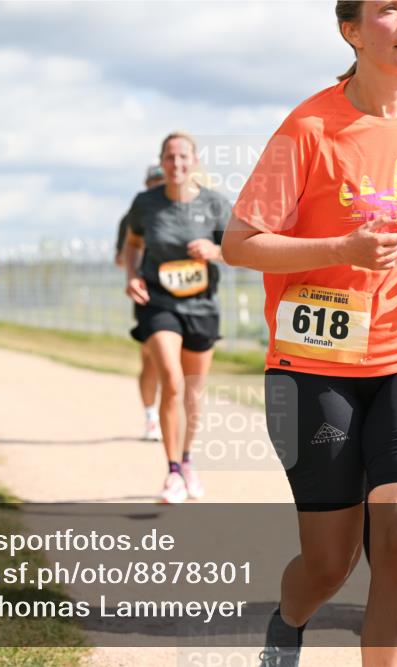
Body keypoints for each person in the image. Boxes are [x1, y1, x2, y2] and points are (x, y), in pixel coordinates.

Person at [222, 2, 397, 665]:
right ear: (351, 31)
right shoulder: (309, 128)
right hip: (314, 366)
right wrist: (342, 248)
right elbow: (239, 243)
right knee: (329, 563)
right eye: (389, 8)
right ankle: (288, 620)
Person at [121, 132, 231, 504]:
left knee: (193, 392)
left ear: (195, 160)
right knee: (171, 380)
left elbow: (239, 249)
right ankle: (171, 472)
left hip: (202, 306)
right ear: (161, 161)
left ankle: (186, 462)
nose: (176, 163)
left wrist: (214, 251)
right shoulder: (146, 203)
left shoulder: (215, 204)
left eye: (183, 156)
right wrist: (132, 275)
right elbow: (133, 244)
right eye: (170, 157)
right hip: (158, 302)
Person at [117, 165, 167, 441]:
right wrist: (139, 263)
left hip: (186, 296)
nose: (158, 185)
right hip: (149, 294)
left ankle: (174, 415)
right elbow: (121, 257)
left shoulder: (184, 208)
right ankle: (151, 416)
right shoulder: (135, 214)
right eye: (154, 181)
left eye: (162, 180)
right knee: (152, 359)